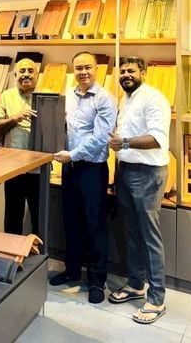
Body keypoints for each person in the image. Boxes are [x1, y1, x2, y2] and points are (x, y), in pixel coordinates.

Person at [108, 56, 171, 325]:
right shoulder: (126, 99)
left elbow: (157, 139)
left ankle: (157, 299)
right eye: (122, 71)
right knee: (132, 232)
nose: (126, 75)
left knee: (149, 236)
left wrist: (124, 143)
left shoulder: (153, 99)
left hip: (148, 174)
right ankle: (136, 284)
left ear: (143, 72)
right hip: (126, 170)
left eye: (131, 70)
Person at [51, 51, 117, 304]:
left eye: (87, 67)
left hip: (92, 170)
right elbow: (63, 129)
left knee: (95, 225)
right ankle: (72, 271)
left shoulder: (105, 99)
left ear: (96, 69)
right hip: (70, 168)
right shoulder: (68, 96)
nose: (83, 72)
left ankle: (97, 281)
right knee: (71, 221)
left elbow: (101, 137)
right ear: (73, 70)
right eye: (78, 68)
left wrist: (72, 154)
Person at [0, 58, 39, 235]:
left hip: (38, 167)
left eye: (30, 71)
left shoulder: (47, 96)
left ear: (37, 74)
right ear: (15, 75)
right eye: (22, 71)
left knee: (39, 215)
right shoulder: (6, 96)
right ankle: (11, 251)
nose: (26, 74)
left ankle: (36, 251)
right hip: (13, 166)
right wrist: (15, 118)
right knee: (13, 214)